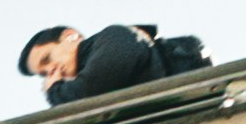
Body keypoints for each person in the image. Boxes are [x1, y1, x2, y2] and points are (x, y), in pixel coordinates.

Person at [23, 19, 210, 103]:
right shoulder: (75, 91)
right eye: (43, 73)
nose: (51, 71)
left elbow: (93, 87)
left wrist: (55, 93)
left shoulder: (114, 35)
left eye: (47, 58)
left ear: (70, 36)